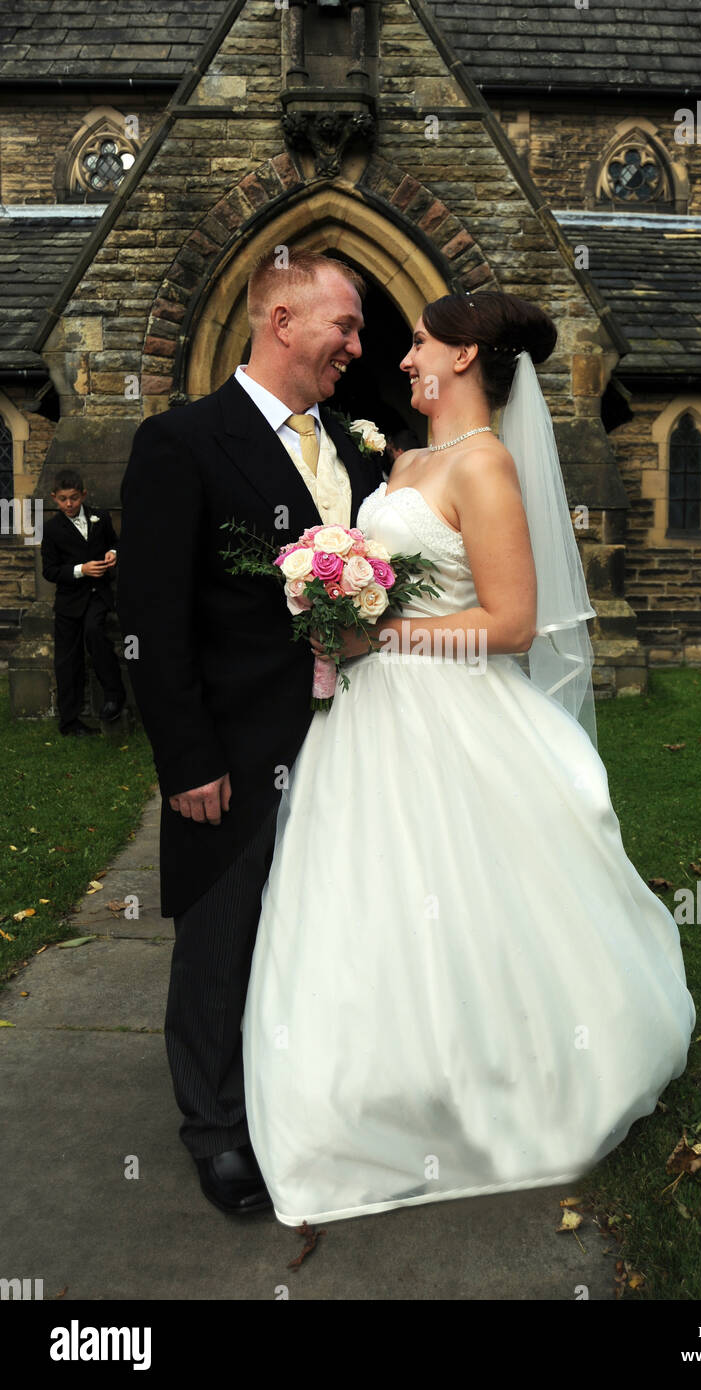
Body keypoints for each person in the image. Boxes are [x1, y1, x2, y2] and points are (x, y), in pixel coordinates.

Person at [243, 291, 696, 1226]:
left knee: (459, 891)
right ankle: (372, 1088)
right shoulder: (407, 458)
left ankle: (488, 1080)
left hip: (441, 709)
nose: (403, 359)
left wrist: (386, 632)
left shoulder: (485, 465)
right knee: (360, 899)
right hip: (365, 719)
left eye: (418, 343)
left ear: (464, 356)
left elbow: (513, 623)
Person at [116, 251, 383, 1214]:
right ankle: (216, 1127)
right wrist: (185, 757)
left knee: (321, 930)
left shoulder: (355, 452)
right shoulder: (181, 442)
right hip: (234, 747)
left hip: (352, 737)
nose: (357, 346)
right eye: (344, 327)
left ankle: (299, 1097)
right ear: (280, 320)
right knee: (222, 935)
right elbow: (150, 617)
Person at [41, 470, 125, 736]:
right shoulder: (52, 529)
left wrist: (113, 553)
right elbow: (50, 571)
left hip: (98, 596)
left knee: (94, 632)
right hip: (68, 601)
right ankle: (70, 722)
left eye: (74, 498)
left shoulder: (100, 517)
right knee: (67, 660)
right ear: (54, 498)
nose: (69, 504)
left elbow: (114, 542)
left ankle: (114, 696)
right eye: (63, 499)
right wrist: (81, 570)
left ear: (83, 495)